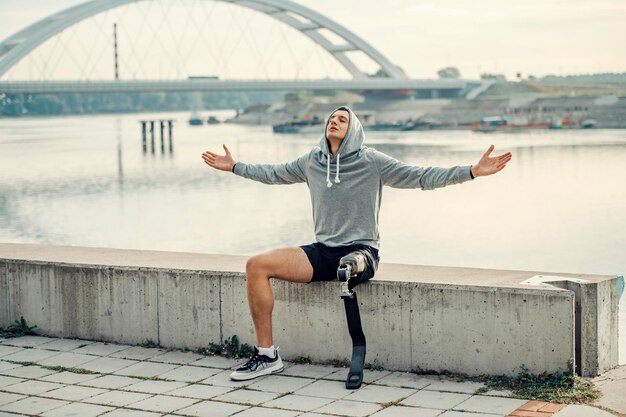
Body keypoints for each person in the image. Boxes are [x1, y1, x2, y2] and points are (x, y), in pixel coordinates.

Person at [202, 106, 512, 381]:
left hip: (362, 251)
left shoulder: (372, 160)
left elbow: (420, 176)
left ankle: (351, 272)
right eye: (332, 118)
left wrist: (472, 171)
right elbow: (273, 173)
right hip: (322, 252)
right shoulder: (311, 161)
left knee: (349, 264)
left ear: (354, 129)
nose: (334, 122)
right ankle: (267, 356)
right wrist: (234, 166)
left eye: (342, 119)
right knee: (256, 265)